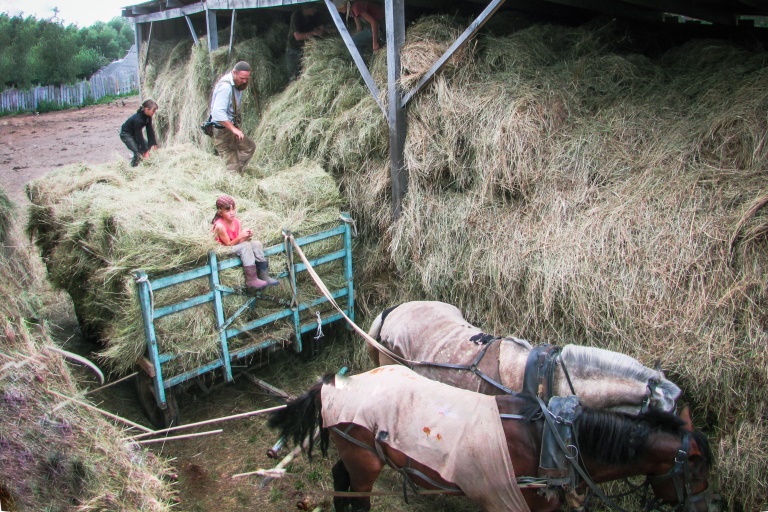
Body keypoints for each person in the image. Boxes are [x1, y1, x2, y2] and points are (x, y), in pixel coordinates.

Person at [212, 194, 279, 291]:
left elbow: (240, 242)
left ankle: (264, 275)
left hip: (236, 247)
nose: (232, 212)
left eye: (233, 209)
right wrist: (240, 237)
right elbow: (228, 245)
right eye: (227, 210)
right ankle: (251, 280)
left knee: (256, 244)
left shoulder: (237, 221)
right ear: (220, 212)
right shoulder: (219, 226)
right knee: (246, 245)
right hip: (224, 251)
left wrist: (245, 236)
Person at [209, 61, 257, 173]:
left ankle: (233, 170)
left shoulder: (236, 84)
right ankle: (231, 173)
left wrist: (235, 127)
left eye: (247, 78)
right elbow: (218, 113)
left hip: (229, 127)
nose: (244, 81)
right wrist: (233, 129)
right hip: (222, 131)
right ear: (234, 73)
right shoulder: (225, 87)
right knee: (231, 162)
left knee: (249, 147)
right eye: (242, 78)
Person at [286, 5, 327, 81]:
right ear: (305, 8)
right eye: (312, 8)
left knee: (306, 73)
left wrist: (321, 29)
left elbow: (321, 29)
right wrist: (315, 32)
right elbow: (298, 37)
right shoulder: (296, 16)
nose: (314, 10)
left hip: (307, 48)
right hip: (294, 48)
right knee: (294, 75)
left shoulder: (314, 15)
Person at [120, 99, 158, 167]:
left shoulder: (148, 117)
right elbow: (139, 136)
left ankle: (142, 165)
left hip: (134, 133)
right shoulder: (138, 119)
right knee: (137, 153)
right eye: (153, 110)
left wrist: (153, 144)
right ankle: (132, 168)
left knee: (147, 148)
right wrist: (145, 151)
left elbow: (150, 130)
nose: (154, 112)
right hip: (126, 134)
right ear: (146, 109)